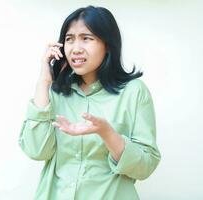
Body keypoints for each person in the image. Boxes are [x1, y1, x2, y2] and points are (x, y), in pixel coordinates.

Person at [19, 5, 161, 200]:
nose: (76, 48)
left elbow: (145, 166)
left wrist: (107, 133)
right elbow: (36, 150)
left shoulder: (134, 92)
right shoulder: (53, 92)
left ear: (108, 45)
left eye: (86, 38)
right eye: (69, 39)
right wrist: (43, 81)